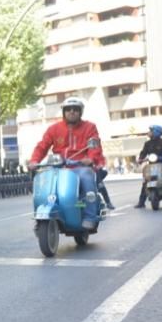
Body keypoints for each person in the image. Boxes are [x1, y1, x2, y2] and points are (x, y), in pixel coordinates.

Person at [28, 97, 105, 230]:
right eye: (68, 109)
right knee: (42, 183)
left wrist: (90, 159)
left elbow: (95, 145)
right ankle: (40, 217)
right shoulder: (54, 129)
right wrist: (34, 161)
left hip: (80, 166)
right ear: (63, 112)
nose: (72, 112)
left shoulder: (89, 127)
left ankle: (89, 216)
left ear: (80, 112)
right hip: (58, 166)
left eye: (75, 109)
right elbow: (42, 146)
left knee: (87, 178)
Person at [134, 125, 162, 209]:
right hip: (152, 164)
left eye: (151, 131)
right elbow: (143, 152)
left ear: (156, 132)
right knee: (146, 180)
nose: (149, 132)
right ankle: (141, 202)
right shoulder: (147, 143)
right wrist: (140, 159)